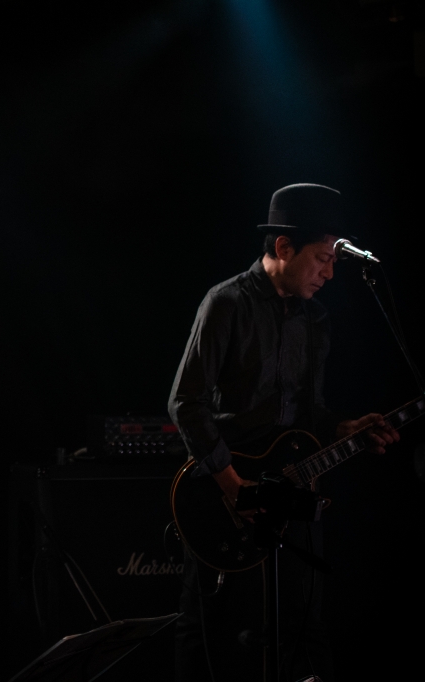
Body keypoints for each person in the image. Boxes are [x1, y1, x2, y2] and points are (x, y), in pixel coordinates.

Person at [167, 183, 399, 682]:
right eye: (322, 259)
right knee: (207, 626)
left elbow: (308, 413)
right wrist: (234, 486)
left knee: (305, 622)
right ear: (284, 247)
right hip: (226, 491)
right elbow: (186, 403)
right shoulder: (226, 303)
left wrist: (344, 427)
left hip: (290, 488)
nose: (329, 273)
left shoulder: (316, 319)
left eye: (333, 261)